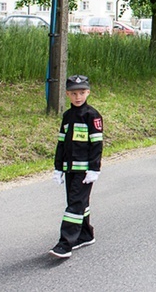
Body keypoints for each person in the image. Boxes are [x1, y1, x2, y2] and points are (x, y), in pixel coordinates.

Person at [49, 74, 103, 258]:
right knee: (80, 204)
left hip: (85, 171)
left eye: (81, 93)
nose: (77, 97)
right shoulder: (67, 116)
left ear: (88, 92)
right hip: (70, 168)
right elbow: (61, 143)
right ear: (67, 94)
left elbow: (97, 144)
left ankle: (65, 244)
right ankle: (85, 235)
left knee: (74, 206)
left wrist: (94, 169)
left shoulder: (92, 115)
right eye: (73, 93)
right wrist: (58, 168)